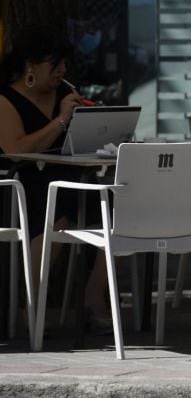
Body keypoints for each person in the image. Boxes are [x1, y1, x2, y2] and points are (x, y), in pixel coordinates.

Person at [0, 25, 111, 332]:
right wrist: (61, 120)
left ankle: (93, 295)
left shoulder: (64, 94)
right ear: (30, 66)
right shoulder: (6, 99)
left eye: (64, 64)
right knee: (57, 212)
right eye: (54, 64)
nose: (61, 71)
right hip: (22, 184)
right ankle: (31, 304)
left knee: (113, 207)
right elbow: (16, 150)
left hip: (68, 176)